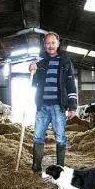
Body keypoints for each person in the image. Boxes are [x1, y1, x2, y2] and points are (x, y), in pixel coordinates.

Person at [29, 31, 77, 172]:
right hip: (42, 106)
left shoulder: (65, 62)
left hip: (58, 106)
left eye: (53, 43)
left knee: (60, 137)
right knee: (38, 136)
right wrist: (32, 71)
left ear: (58, 44)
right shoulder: (41, 63)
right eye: (48, 43)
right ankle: (36, 166)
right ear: (45, 45)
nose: (50, 46)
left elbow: (71, 85)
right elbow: (33, 84)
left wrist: (72, 107)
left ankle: (60, 167)